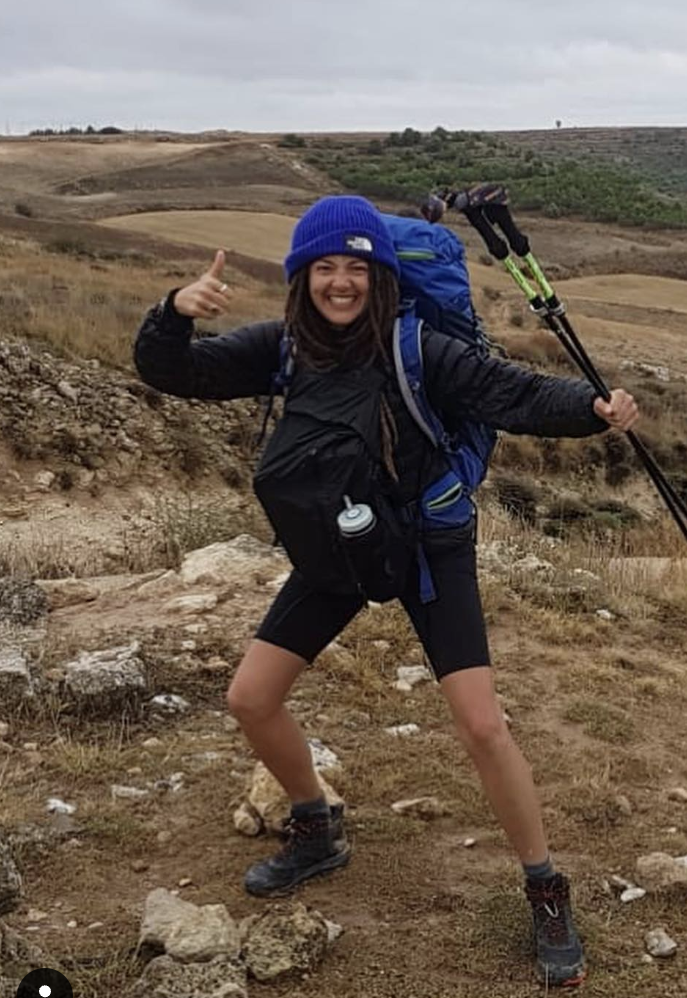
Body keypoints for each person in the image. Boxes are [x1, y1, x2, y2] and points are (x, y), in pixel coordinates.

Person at [133, 194, 639, 988]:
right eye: (324, 268)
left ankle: (545, 887)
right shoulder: (286, 349)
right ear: (303, 279)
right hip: (341, 548)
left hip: (430, 550)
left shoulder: (419, 349)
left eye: (355, 267)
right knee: (251, 699)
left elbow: (511, 392)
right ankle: (315, 827)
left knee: (481, 724)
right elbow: (178, 374)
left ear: (379, 274)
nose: (341, 282)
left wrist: (593, 409)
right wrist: (172, 313)